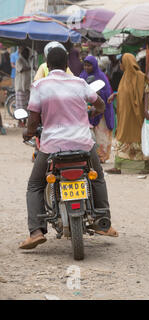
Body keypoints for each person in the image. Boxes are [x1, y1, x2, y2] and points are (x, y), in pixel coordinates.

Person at [19, 47, 118, 250]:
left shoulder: (39, 86)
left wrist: (28, 133)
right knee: (97, 177)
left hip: (53, 146)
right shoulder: (79, 82)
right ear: (67, 65)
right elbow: (100, 105)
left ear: (47, 64)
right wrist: (88, 111)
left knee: (35, 185)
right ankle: (103, 222)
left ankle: (36, 232)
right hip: (83, 143)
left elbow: (33, 119)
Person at [105, 53, 149, 175]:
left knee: (140, 140)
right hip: (126, 116)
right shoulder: (125, 77)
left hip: (137, 115)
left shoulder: (141, 77)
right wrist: (115, 94)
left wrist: (145, 110)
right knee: (122, 138)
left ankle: (146, 166)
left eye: (121, 62)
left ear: (126, 63)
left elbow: (146, 92)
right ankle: (117, 166)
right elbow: (126, 93)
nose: (120, 65)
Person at [80, 55, 115, 163]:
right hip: (87, 109)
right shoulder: (82, 76)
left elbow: (107, 93)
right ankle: (91, 156)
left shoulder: (101, 77)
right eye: (85, 65)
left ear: (94, 65)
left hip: (101, 112)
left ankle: (101, 156)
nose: (86, 68)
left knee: (101, 134)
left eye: (89, 65)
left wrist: (99, 93)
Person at [14, 47, 32, 125]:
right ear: (22, 53)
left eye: (27, 53)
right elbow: (21, 69)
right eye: (25, 53)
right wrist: (30, 68)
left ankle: (24, 121)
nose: (27, 54)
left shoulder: (28, 60)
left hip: (27, 86)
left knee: (26, 105)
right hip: (20, 87)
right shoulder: (19, 60)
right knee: (20, 105)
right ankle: (20, 122)